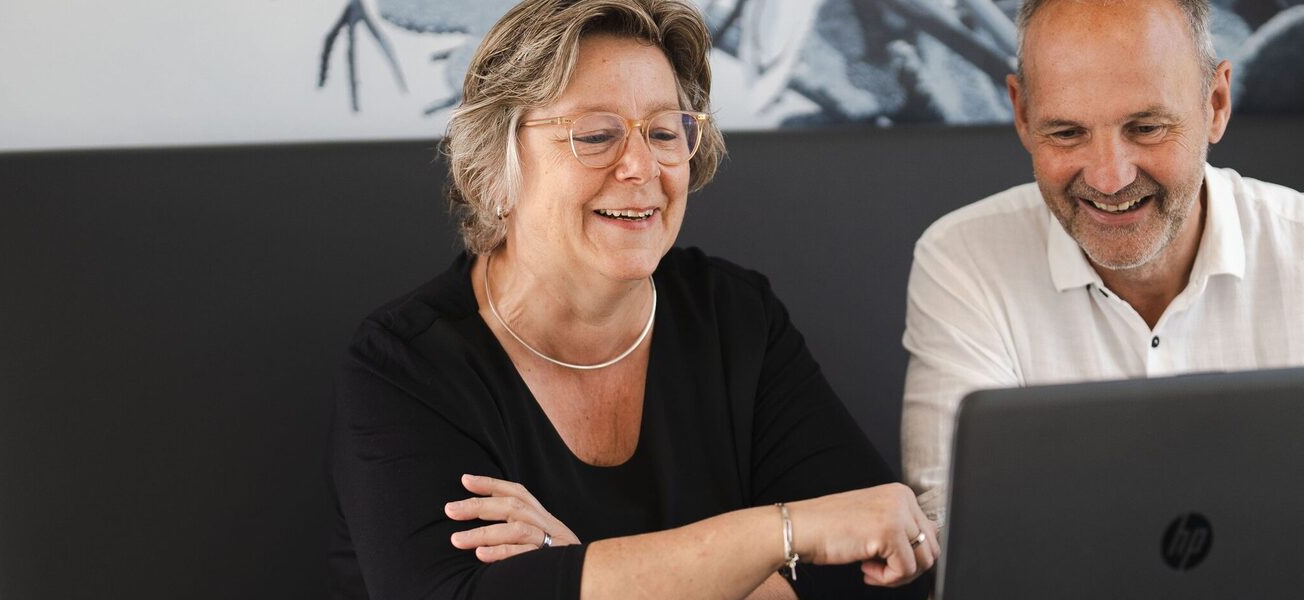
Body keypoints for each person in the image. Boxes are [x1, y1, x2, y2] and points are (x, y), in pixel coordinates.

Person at [329, 1, 938, 598]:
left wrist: (572, 562)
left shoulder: (733, 317)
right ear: (495, 168)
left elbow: (878, 570)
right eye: (596, 135)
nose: (642, 166)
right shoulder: (406, 367)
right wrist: (779, 537)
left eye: (664, 131)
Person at [898, 1, 1304, 598]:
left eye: (1146, 128)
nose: (1108, 177)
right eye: (1066, 132)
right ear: (1021, 113)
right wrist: (1294, 542)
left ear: (1215, 104)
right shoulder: (962, 260)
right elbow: (960, 540)